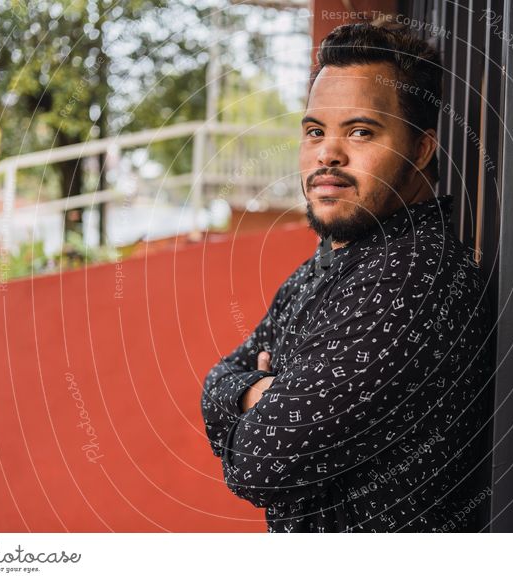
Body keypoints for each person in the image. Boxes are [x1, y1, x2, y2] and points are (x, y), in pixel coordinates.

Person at [201, 22, 494, 532]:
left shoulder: (411, 277)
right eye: (315, 130)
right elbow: (218, 376)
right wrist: (255, 390)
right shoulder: (329, 263)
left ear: (421, 150)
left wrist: (262, 389)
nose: (327, 154)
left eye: (361, 131)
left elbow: (258, 462)